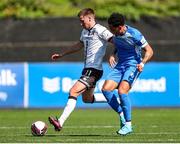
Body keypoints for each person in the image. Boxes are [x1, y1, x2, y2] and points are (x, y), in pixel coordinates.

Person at [48, 8, 122, 131]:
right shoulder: (85, 31)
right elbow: (79, 45)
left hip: (94, 70)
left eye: (82, 21)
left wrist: (113, 54)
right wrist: (62, 54)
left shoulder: (101, 30)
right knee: (87, 99)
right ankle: (117, 99)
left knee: (73, 91)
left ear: (90, 18)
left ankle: (60, 122)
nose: (81, 24)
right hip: (87, 70)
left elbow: (118, 42)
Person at [101, 13, 154, 135]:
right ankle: (122, 115)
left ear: (120, 27)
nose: (110, 31)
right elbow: (119, 44)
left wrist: (143, 62)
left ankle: (128, 125)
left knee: (122, 91)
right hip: (120, 65)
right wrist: (113, 54)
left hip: (133, 65)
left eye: (112, 29)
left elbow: (150, 51)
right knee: (106, 89)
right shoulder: (117, 33)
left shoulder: (134, 34)